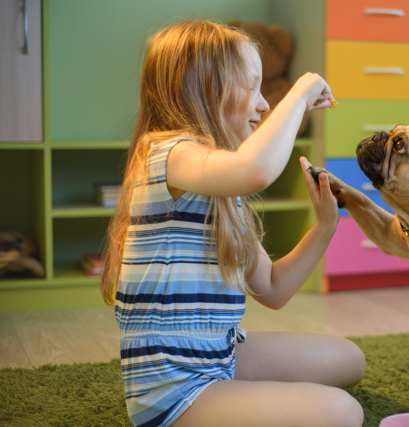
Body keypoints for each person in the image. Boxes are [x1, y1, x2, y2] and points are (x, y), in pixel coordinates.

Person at [100, 20, 365, 427]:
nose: (264, 104)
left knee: (351, 360)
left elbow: (273, 289)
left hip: (218, 353)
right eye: (253, 87)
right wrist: (299, 94)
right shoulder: (168, 154)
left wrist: (325, 226)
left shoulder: (225, 187)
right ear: (205, 87)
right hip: (175, 388)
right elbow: (256, 169)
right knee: (344, 412)